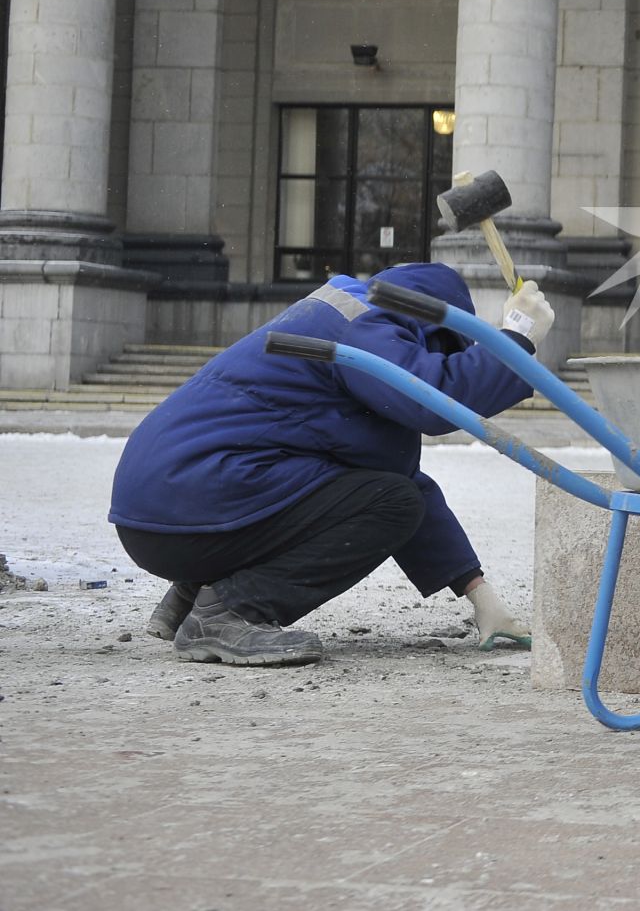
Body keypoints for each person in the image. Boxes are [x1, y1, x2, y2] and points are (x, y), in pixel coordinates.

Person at [109, 263, 554, 667]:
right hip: (189, 502)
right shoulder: (364, 326)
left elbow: (397, 481)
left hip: (166, 511)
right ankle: (232, 610)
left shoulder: (341, 320)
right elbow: (436, 399)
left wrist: (480, 595)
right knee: (389, 504)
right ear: (433, 327)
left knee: (379, 495)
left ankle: (193, 592)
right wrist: (515, 338)